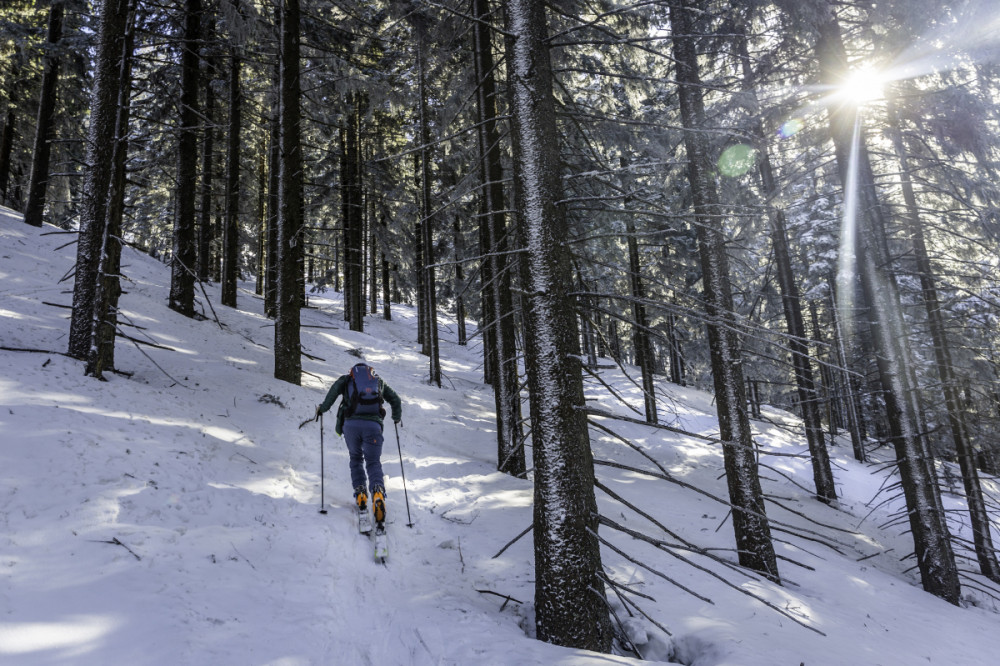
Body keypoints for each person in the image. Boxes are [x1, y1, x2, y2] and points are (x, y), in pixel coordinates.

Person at [315, 362, 402, 524]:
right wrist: (396, 418)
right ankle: (377, 493)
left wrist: (322, 409)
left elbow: (332, 395)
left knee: (355, 458)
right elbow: (396, 400)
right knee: (373, 462)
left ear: (353, 373)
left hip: (351, 426)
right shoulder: (379, 382)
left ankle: (361, 493)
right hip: (373, 427)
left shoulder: (346, 380)